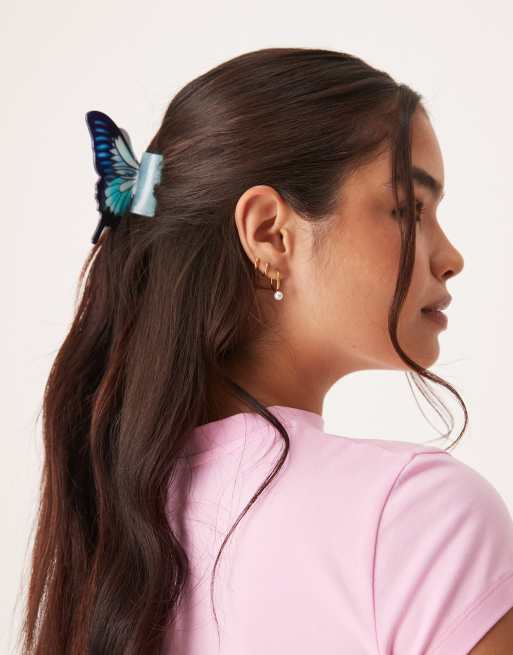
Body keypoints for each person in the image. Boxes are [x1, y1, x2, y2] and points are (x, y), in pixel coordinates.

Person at [21, 47, 513, 654]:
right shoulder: (418, 517)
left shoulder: (112, 529)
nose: (450, 256)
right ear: (269, 234)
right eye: (408, 210)